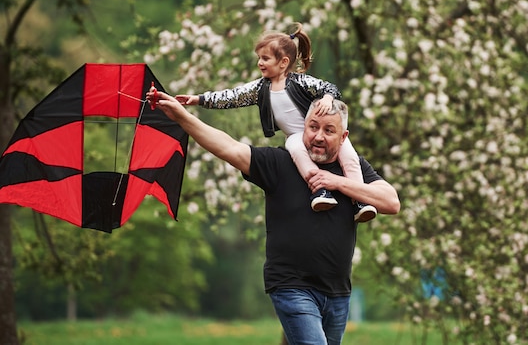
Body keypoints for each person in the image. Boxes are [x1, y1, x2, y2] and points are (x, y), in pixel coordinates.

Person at [151, 91, 401, 345]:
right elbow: (229, 148)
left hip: (338, 293)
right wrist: (182, 117)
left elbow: (391, 202)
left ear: (343, 137)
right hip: (291, 286)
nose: (318, 136)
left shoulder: (353, 169)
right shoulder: (280, 163)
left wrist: (336, 182)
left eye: (328, 130)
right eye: (313, 127)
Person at [174, 23, 378, 222]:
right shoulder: (260, 88)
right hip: (296, 136)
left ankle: (360, 199)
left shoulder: (300, 81)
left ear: (283, 62)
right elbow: (232, 97)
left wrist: (327, 98)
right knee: (297, 149)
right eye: (259, 58)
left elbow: (330, 88)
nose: (260, 63)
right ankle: (320, 190)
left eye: (265, 58)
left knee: (350, 157)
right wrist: (199, 99)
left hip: (316, 133)